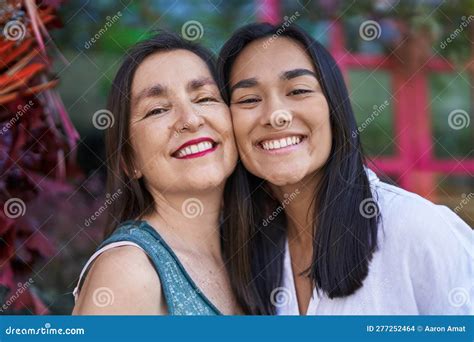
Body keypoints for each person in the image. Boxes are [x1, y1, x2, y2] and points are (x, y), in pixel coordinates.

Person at [218, 22, 473, 315]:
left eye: (298, 90)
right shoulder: (240, 253)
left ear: (334, 108)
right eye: (249, 99)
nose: (276, 116)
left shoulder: (415, 228)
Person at [73, 32, 240, 315]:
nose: (190, 119)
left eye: (204, 98)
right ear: (129, 160)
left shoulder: (252, 257)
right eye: (158, 110)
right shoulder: (128, 271)